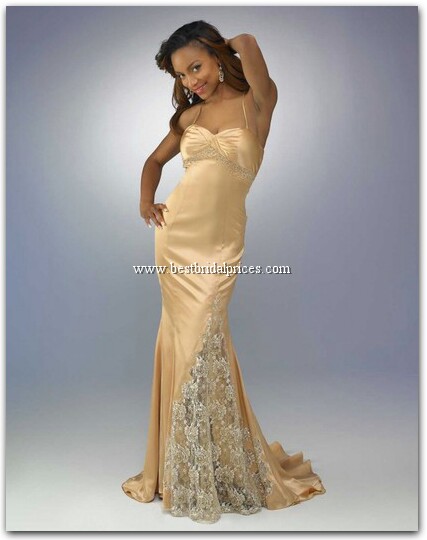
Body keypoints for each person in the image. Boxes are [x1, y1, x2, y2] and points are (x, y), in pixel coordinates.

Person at [121, 20, 326, 525]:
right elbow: (152, 162)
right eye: (181, 75)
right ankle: (186, 466)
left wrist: (225, 45)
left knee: (204, 342)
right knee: (183, 344)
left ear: (217, 56)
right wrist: (147, 201)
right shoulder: (188, 117)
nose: (191, 80)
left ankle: (212, 462)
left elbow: (249, 44)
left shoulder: (258, 103)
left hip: (218, 245)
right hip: (175, 241)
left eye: (196, 66)